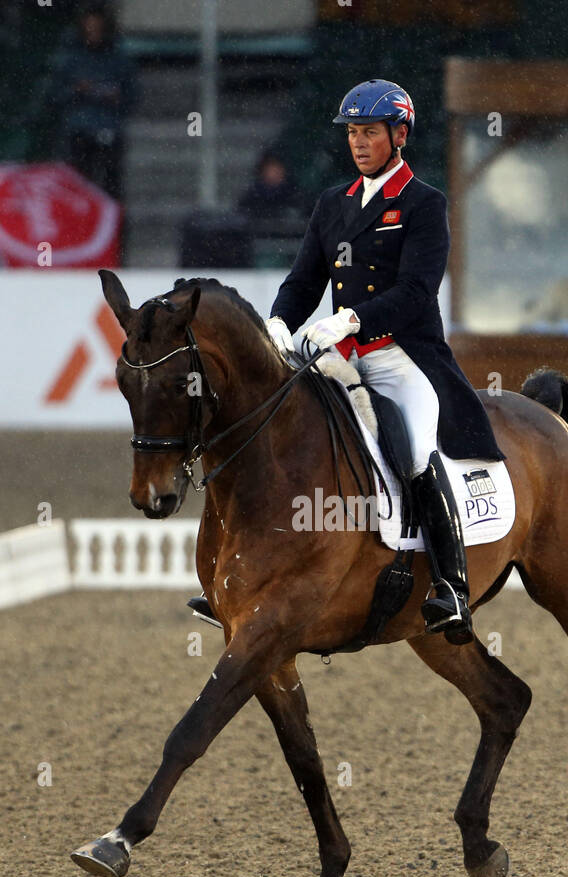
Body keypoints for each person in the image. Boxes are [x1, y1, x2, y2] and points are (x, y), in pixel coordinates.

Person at [195, 79, 505, 644]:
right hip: (339, 359)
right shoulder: (332, 204)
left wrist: (353, 318)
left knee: (413, 449)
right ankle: (242, 572)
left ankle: (452, 586)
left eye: (369, 133)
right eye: (353, 133)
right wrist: (279, 323)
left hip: (401, 356)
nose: (359, 143)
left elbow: (416, 290)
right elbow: (303, 279)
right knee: (277, 432)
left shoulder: (423, 204)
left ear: (399, 134)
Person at [57, 2, 137, 199]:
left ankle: (114, 227)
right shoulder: (72, 59)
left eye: (98, 28)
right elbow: (56, 95)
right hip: (80, 130)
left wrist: (116, 98)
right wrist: (76, 90)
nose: (94, 33)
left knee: (112, 186)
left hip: (109, 127)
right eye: (90, 28)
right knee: (79, 184)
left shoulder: (119, 59)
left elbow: (132, 96)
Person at [237, 151, 306, 227]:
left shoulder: (294, 194)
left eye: (277, 168)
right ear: (262, 171)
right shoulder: (253, 196)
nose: (274, 172)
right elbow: (244, 217)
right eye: (270, 168)